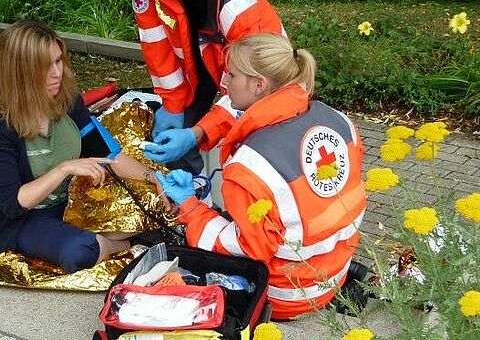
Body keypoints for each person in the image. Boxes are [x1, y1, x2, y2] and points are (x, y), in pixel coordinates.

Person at [155, 34, 367, 320]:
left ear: (258, 84)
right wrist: (197, 134)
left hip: (286, 295)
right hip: (333, 272)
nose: (224, 83)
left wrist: (190, 207)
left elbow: (248, 248)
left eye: (231, 74)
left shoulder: (250, 166)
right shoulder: (339, 122)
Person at [0, 21, 160, 273]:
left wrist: (153, 177)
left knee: (156, 206)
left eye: (58, 61)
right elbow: (11, 203)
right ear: (19, 72)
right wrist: (63, 169)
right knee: (80, 251)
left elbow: (107, 155)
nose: (56, 73)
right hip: (25, 221)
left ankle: (114, 236)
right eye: (44, 66)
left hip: (74, 206)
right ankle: (115, 244)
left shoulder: (67, 100)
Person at [130, 0, 286, 174]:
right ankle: (191, 196)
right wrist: (171, 102)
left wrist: (197, 133)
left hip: (250, 73)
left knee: (244, 143)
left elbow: (254, 94)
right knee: (177, 142)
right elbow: (153, 33)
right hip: (192, 56)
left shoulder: (247, 20)